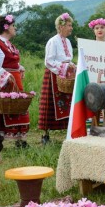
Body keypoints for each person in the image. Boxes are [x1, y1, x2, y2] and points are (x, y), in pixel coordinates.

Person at [0, 14, 30, 148]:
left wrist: (19, 67)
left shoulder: (9, 44)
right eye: (13, 26)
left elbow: (12, 62)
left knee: (19, 106)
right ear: (6, 28)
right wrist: (5, 77)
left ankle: (20, 139)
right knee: (4, 107)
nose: (15, 28)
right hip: (3, 81)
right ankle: (0, 140)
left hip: (15, 79)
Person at [38, 13, 76, 144]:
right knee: (50, 105)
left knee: (67, 103)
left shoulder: (68, 41)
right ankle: (45, 135)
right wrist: (63, 68)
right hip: (53, 75)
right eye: (69, 25)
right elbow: (48, 61)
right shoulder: (53, 41)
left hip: (66, 77)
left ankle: (68, 132)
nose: (71, 28)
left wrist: (71, 66)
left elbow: (68, 59)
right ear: (61, 26)